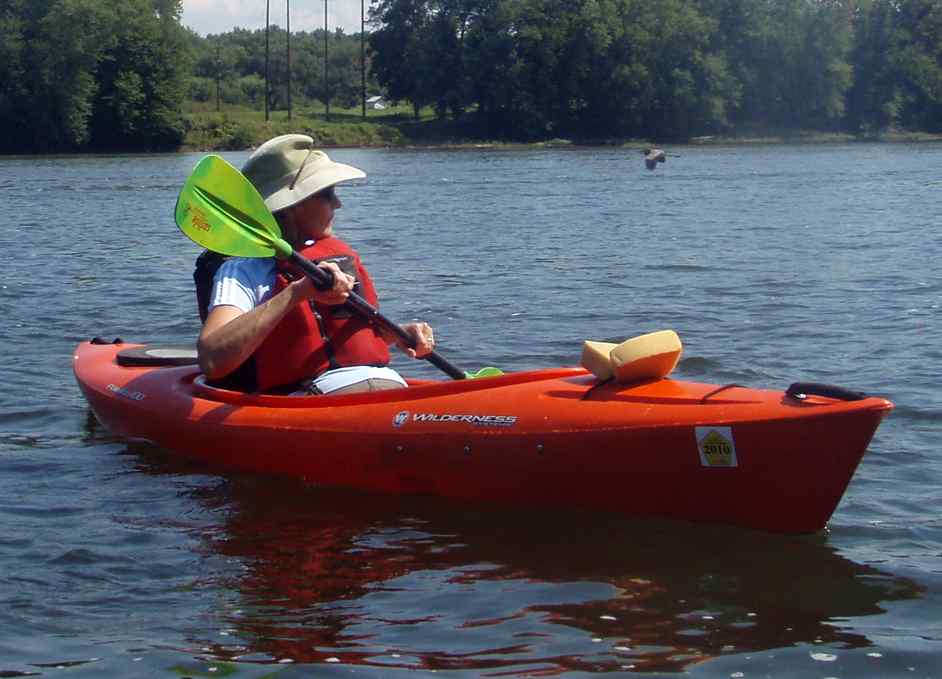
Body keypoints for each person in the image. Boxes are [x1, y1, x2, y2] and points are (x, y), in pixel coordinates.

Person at [195, 134, 435, 395]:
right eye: (327, 194)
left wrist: (398, 335)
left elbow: (333, 338)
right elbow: (212, 358)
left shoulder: (337, 258)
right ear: (291, 207)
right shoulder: (244, 269)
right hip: (311, 398)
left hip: (381, 385)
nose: (338, 203)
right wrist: (297, 292)